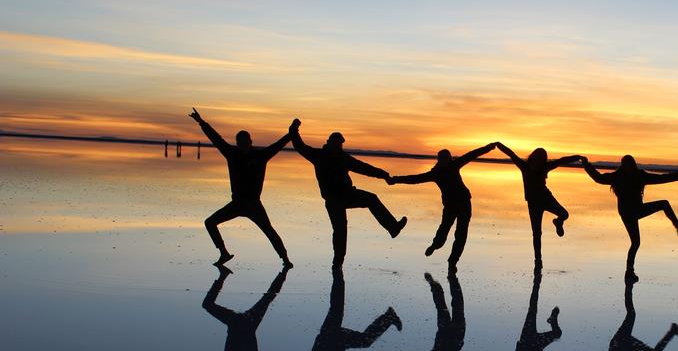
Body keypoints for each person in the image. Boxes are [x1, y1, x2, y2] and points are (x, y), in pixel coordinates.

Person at [290, 125, 407, 268]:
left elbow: (363, 167)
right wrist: (294, 129)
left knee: (372, 199)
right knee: (340, 229)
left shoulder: (343, 158)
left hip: (348, 194)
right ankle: (338, 261)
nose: (339, 146)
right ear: (329, 142)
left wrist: (384, 175)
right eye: (337, 143)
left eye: (340, 144)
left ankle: (393, 227)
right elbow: (299, 146)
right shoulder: (318, 156)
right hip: (333, 199)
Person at [188, 108, 294, 267]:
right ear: (238, 143)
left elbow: (277, 145)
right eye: (240, 142)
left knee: (269, 231)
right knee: (210, 223)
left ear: (250, 142)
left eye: (245, 141)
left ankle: (285, 260)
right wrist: (201, 122)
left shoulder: (260, 155)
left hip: (253, 204)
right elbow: (216, 138)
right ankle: (223, 252)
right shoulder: (232, 153)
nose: (243, 144)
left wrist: (291, 133)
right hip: (237, 204)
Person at [582, 155, 678, 282]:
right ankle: (630, 271)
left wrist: (586, 165)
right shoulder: (630, 176)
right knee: (637, 240)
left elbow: (660, 178)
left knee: (636, 241)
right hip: (632, 211)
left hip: (629, 212)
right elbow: (598, 178)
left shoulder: (623, 176)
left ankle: (629, 271)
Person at [388, 143, 498, 273]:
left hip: (464, 203)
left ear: (449, 158)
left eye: (447, 158)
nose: (446, 161)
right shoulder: (436, 173)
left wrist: (490, 147)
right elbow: (415, 179)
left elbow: (472, 154)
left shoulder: (454, 165)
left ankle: (452, 262)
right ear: (439, 160)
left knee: (461, 234)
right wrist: (396, 179)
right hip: (450, 206)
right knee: (444, 229)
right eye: (443, 159)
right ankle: (435, 245)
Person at [379, 273, 482, 351]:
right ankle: (436, 284)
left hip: (455, 335)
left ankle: (449, 280)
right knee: (443, 307)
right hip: (447, 332)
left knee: (457, 306)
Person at [495, 143, 583, 272]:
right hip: (533, 203)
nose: (539, 161)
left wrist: (578, 157)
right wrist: (498, 145)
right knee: (537, 233)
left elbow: (561, 161)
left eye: (542, 159)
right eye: (538, 158)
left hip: (546, 198)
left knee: (564, 214)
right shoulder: (524, 166)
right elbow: (511, 154)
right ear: (533, 157)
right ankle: (538, 260)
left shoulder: (544, 167)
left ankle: (558, 222)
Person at [483, 272, 568, 351]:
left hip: (527, 340)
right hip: (536, 346)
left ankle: (536, 284)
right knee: (557, 333)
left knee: (532, 310)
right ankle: (552, 320)